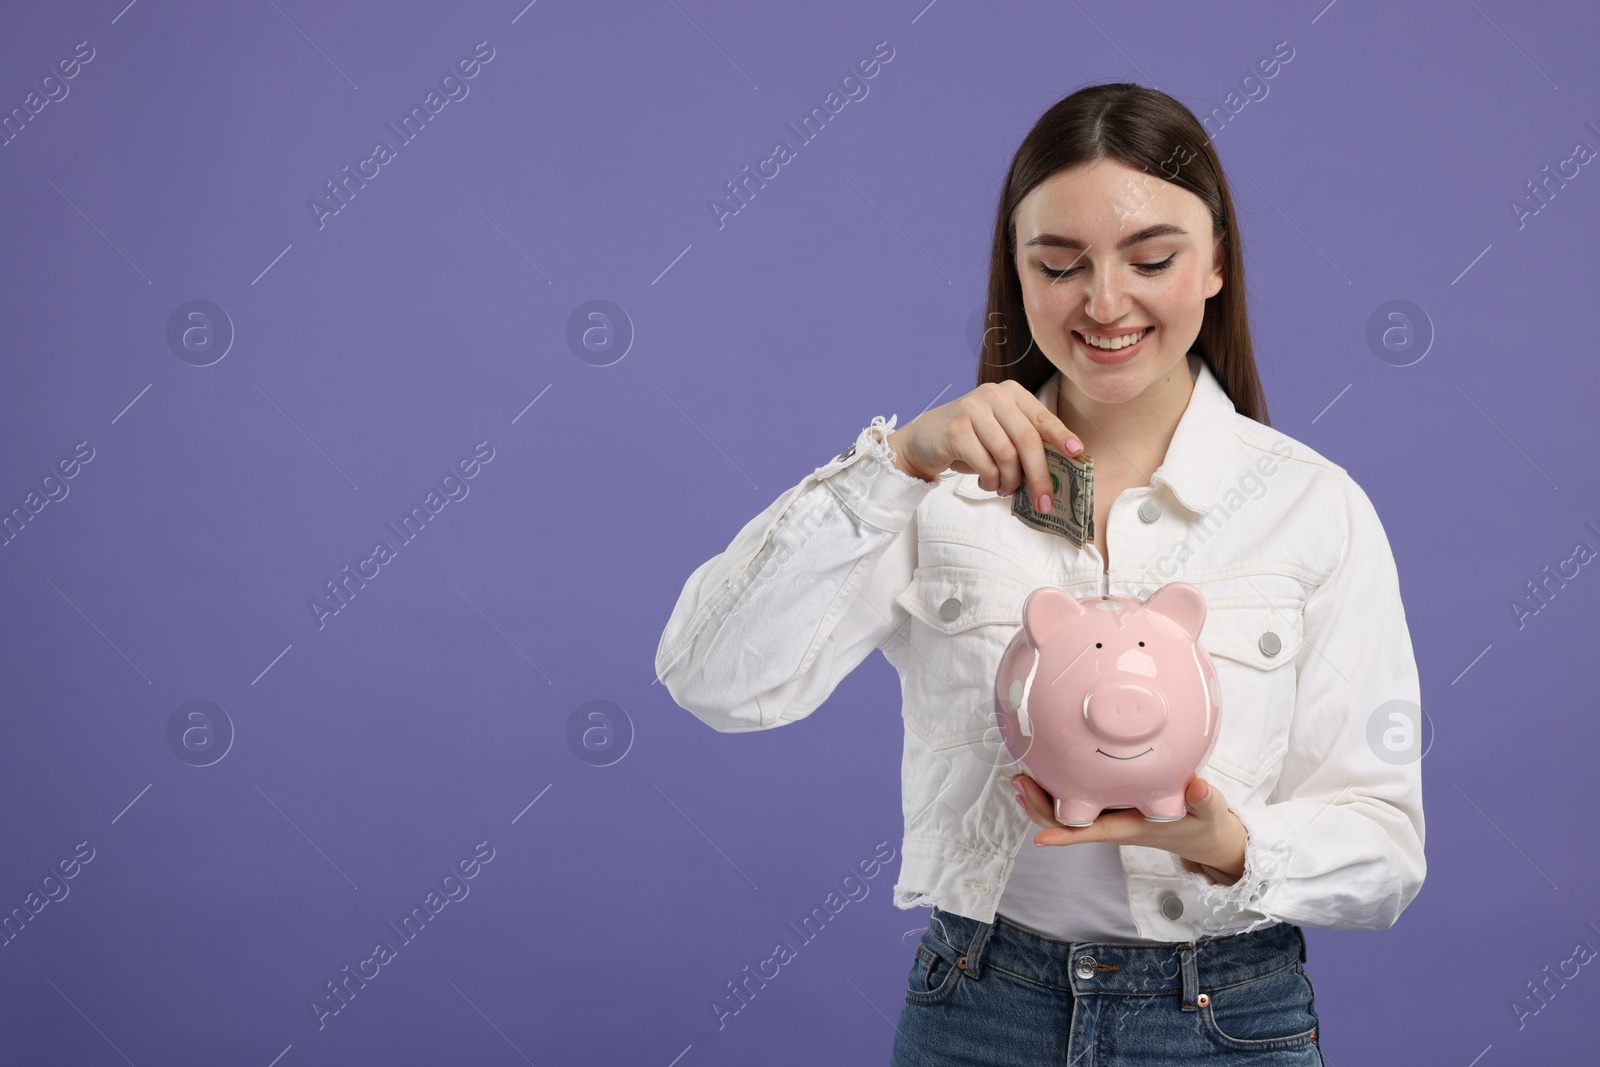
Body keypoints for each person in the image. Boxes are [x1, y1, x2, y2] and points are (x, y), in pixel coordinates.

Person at [655, 82, 1424, 1065]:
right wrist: (893, 467)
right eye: (1060, 265)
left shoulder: (1311, 509)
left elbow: (1383, 853)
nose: (1105, 303)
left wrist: (1226, 841)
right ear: (1015, 274)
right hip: (980, 1007)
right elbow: (712, 677)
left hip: (1225, 1015)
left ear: (1218, 262)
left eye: (1151, 259)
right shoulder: (939, 489)